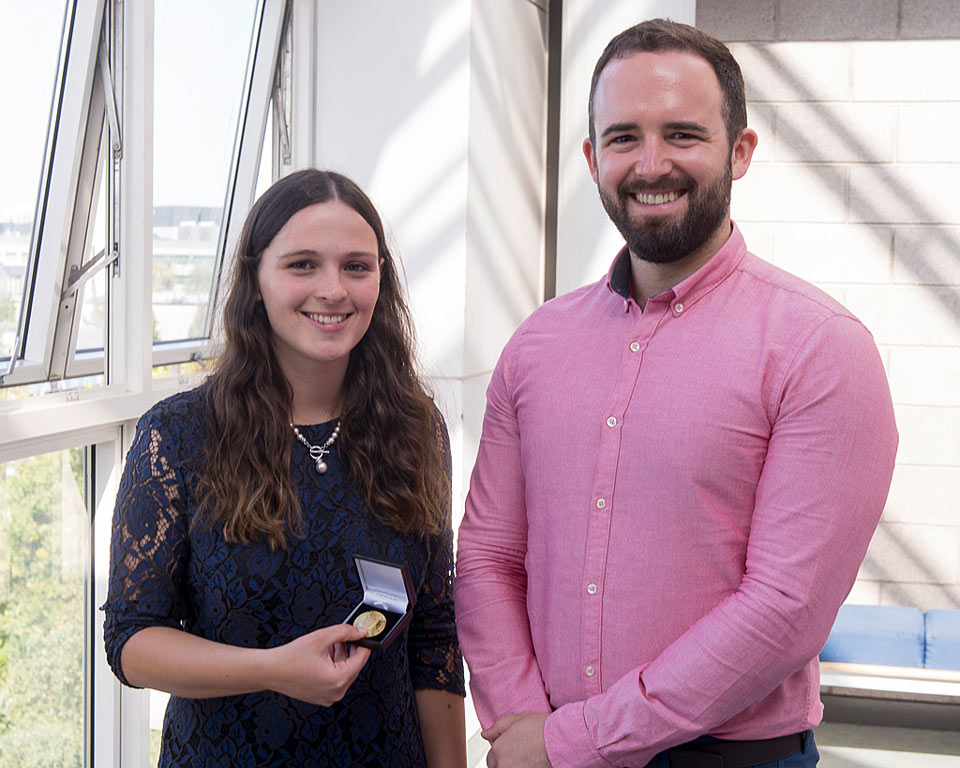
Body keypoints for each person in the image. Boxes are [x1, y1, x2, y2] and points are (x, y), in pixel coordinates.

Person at [456, 19, 897, 768]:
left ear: (741, 151)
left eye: (683, 134)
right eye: (624, 138)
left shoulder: (822, 348)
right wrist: (523, 719)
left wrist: (574, 741)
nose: (650, 164)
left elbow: (784, 611)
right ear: (593, 158)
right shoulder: (536, 346)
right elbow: (491, 555)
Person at [103, 169, 466, 767]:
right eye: (302, 265)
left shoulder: (414, 425)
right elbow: (132, 641)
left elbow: (432, 632)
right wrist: (271, 670)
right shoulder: (178, 436)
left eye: (357, 266)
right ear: (256, 281)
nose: (333, 290)